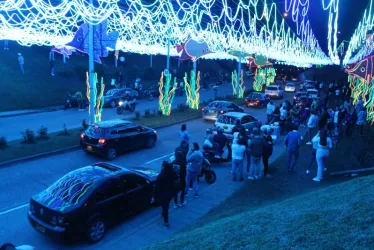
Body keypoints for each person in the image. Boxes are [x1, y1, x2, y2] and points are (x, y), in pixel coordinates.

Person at [155, 161, 178, 228]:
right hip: (170, 193)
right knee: (166, 205)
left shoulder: (160, 176)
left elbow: (156, 187)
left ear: (163, 167)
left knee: (165, 207)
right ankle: (164, 215)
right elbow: (176, 178)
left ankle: (166, 222)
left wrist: (155, 196)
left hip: (162, 194)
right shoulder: (172, 172)